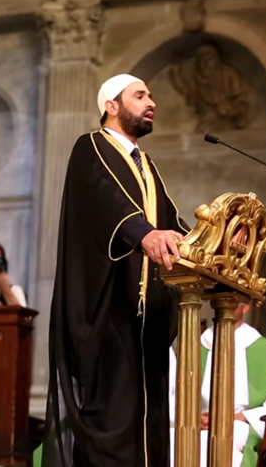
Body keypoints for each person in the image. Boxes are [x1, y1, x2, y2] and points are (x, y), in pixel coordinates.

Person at [40, 73, 189, 467]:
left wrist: (210, 245)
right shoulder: (90, 147)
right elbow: (106, 201)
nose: (150, 102)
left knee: (150, 421)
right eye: (139, 96)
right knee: (114, 418)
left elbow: (171, 222)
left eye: (151, 96)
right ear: (111, 106)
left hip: (147, 314)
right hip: (109, 308)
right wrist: (144, 234)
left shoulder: (147, 164)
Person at [168, 302, 266, 467]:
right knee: (174, 438)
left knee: (225, 438)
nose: (225, 303)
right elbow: (175, 399)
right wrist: (195, 419)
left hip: (243, 423)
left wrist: (231, 418)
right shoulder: (194, 347)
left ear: (246, 307)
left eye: (233, 300)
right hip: (198, 423)